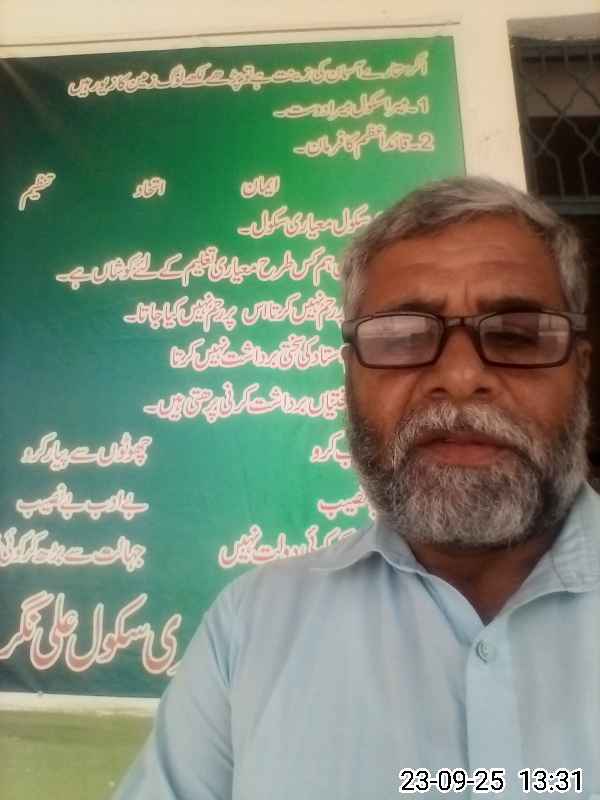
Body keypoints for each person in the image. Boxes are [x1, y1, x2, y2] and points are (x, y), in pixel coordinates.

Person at [114, 176, 600, 799]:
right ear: (350, 378)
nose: (459, 377)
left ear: (580, 369)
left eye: (516, 335)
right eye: (403, 338)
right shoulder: (252, 626)